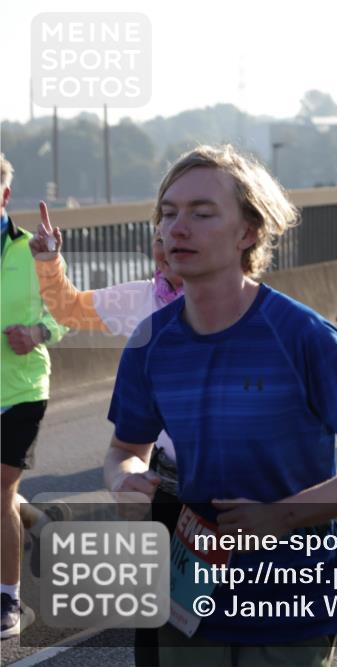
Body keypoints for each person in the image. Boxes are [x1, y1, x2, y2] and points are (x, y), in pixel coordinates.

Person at [104, 145, 337, 666]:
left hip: (290, 604)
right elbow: (123, 450)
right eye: (168, 213)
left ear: (247, 232)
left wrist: (282, 516)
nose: (176, 228)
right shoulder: (150, 341)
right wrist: (125, 480)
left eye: (202, 213)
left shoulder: (301, 335)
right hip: (190, 602)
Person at [30, 205, 183, 665]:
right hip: (167, 480)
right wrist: (49, 260)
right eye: (159, 239)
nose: (166, 247)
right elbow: (69, 308)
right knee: (157, 618)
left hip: (229, 486)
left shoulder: (245, 311)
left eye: (177, 232)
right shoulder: (140, 299)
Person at [1, 155, 67, 639]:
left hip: (22, 389)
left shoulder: (34, 249)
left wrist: (36, 331)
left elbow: (67, 314)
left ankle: (8, 600)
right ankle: (36, 518)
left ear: (4, 196)